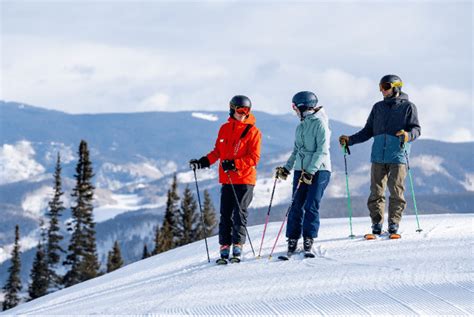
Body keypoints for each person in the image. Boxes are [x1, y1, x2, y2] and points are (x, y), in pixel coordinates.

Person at [339, 74, 421, 236]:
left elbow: (416, 130)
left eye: (386, 87)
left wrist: (407, 135)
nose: (382, 91)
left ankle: (393, 223)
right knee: (376, 192)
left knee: (396, 191)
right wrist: (350, 140)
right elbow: (368, 131)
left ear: (396, 87)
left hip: (398, 155)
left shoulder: (408, 107)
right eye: (380, 88)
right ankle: (376, 223)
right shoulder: (378, 107)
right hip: (378, 156)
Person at [190, 95, 261, 262]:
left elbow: (254, 158)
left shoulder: (253, 132)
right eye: (240, 110)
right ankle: (224, 245)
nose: (243, 113)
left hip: (244, 179)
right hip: (227, 180)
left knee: (239, 214)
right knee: (225, 214)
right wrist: (202, 162)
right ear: (232, 109)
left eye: (246, 111)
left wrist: (235, 164)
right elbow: (217, 152)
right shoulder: (224, 129)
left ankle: (238, 245)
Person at [275, 91, 331, 256]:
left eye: (294, 107)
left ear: (301, 106)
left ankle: (308, 238)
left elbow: (322, 151)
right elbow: (296, 151)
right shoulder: (301, 126)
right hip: (301, 170)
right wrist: (287, 168)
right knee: (295, 205)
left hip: (319, 170)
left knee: (310, 205)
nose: (294, 111)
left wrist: (311, 171)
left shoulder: (320, 124)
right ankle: (292, 239)